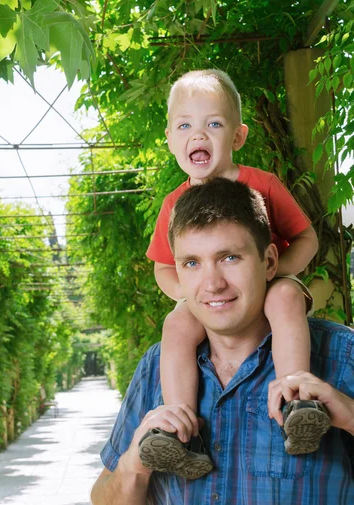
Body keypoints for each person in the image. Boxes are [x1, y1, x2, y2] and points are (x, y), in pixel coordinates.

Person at [91, 178, 354, 504]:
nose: (212, 284)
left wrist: (349, 414)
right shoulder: (156, 366)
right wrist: (135, 462)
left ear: (269, 262)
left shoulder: (343, 354)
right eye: (192, 263)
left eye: (230, 258)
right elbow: (104, 498)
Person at [145, 69, 325, 476]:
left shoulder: (262, 185)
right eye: (185, 125)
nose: (199, 134)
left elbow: (307, 239)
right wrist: (191, 295)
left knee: (284, 298)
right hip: (213, 296)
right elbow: (163, 267)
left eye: (214, 124)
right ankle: (179, 430)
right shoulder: (175, 204)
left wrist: (272, 279)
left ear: (238, 137)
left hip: (266, 279)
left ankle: (298, 399)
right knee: (176, 326)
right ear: (171, 139)